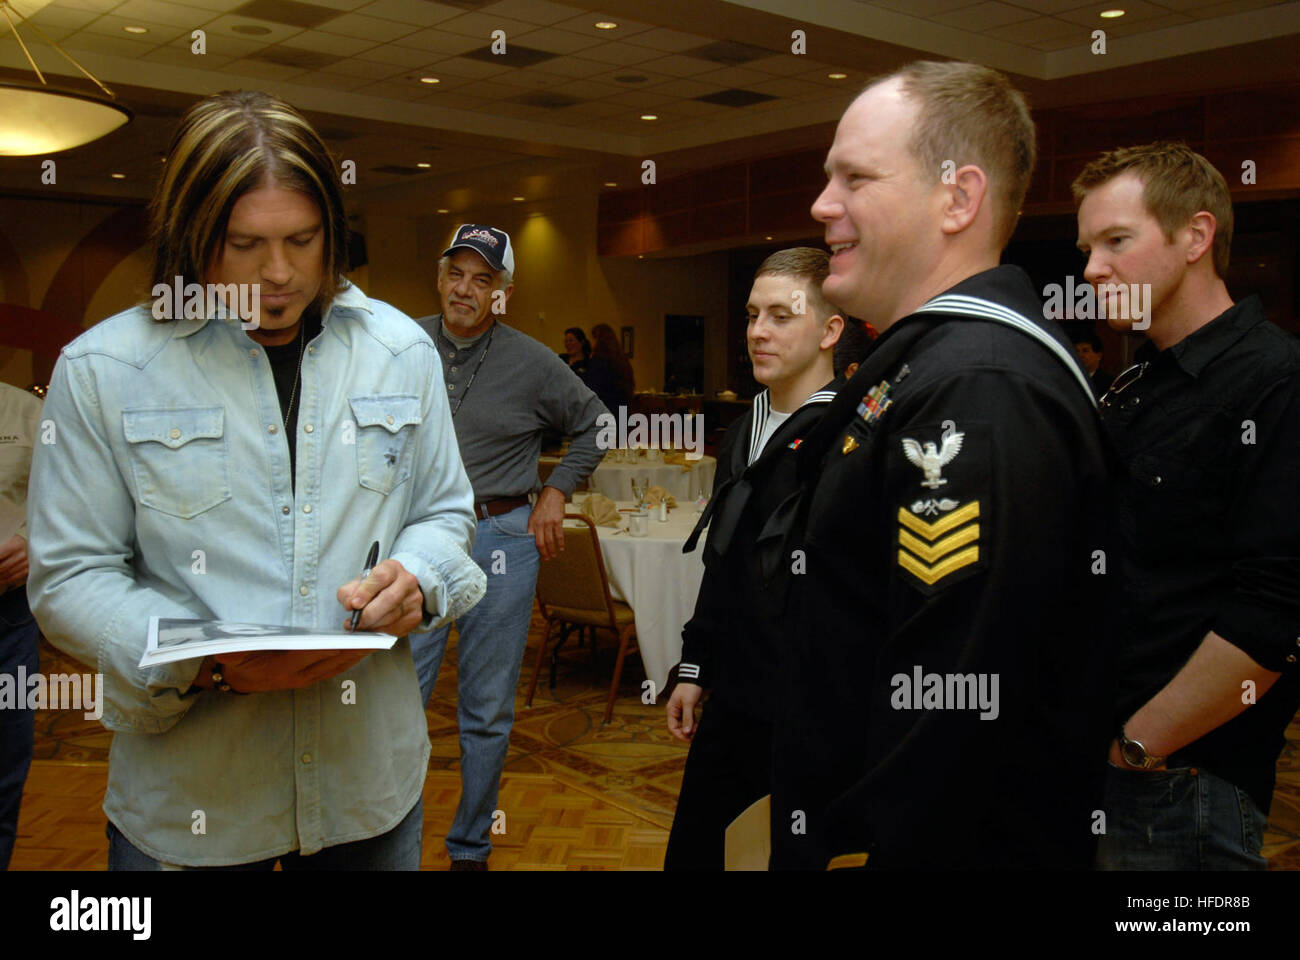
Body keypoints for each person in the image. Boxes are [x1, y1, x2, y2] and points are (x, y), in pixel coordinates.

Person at [26, 90, 485, 870]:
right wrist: (202, 661)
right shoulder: (103, 370)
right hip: (194, 802)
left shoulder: (400, 350)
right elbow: (69, 577)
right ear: (191, 234)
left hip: (366, 796)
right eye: (243, 245)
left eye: (302, 240)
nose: (278, 275)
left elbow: (444, 511)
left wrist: (419, 575)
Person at [769, 60, 1114, 870]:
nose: (822, 204)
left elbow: (955, 702)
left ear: (958, 199)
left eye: (855, 177)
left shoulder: (979, 384)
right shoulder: (933, 362)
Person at [1074, 142, 1300, 870]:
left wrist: (1140, 745)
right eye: (1088, 247)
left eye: (1116, 241)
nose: (1090, 269)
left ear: (1196, 237)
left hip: (1182, 782)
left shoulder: (1275, 380)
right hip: (1109, 768)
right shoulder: (1139, 379)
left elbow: (1274, 610)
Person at [410, 224, 606, 870]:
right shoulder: (402, 344)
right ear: (440, 279)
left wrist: (557, 492)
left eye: (482, 279)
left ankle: (470, 847)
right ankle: (393, 844)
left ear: (504, 294)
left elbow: (597, 424)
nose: (466, 289)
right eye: (456, 274)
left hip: (502, 536)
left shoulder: (533, 361)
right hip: (418, 544)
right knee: (398, 699)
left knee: (487, 708)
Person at [663, 247, 843, 870]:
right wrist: (693, 667)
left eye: (780, 316)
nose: (758, 332)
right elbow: (725, 563)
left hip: (808, 709)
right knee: (699, 852)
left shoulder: (847, 440)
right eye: (751, 315)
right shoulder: (744, 429)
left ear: (829, 329)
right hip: (735, 694)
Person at [0, 381, 43, 870]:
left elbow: (65, 498)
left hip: (8, 620)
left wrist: (33, 540)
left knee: (5, 773)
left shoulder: (29, 413)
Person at [587, 322, 635, 415]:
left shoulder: (598, 361)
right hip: (623, 410)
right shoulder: (621, 359)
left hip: (604, 410)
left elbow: (594, 389)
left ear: (597, 340)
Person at [1073, 331, 1114, 397]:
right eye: (1077, 351)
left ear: (1099, 356)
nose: (1080, 355)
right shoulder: (1071, 380)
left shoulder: (1109, 383)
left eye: (1085, 351)